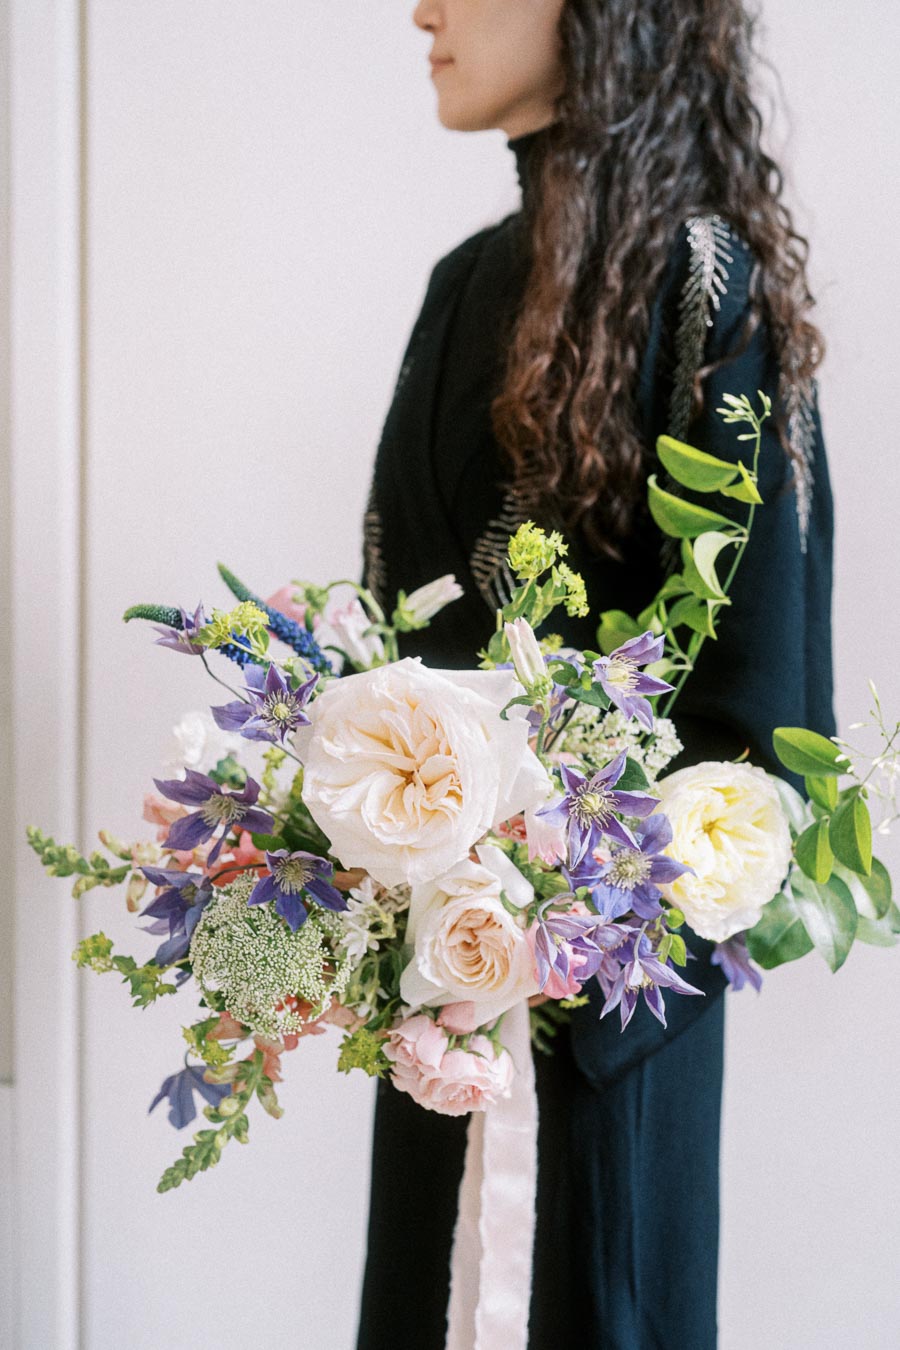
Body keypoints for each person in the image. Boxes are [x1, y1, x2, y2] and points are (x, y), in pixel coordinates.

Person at [356, 1, 835, 1347]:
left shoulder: (713, 298)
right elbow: (390, 646)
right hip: (435, 1020)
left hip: (616, 1041)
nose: (423, 9)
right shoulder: (459, 289)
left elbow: (770, 739)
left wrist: (557, 940)